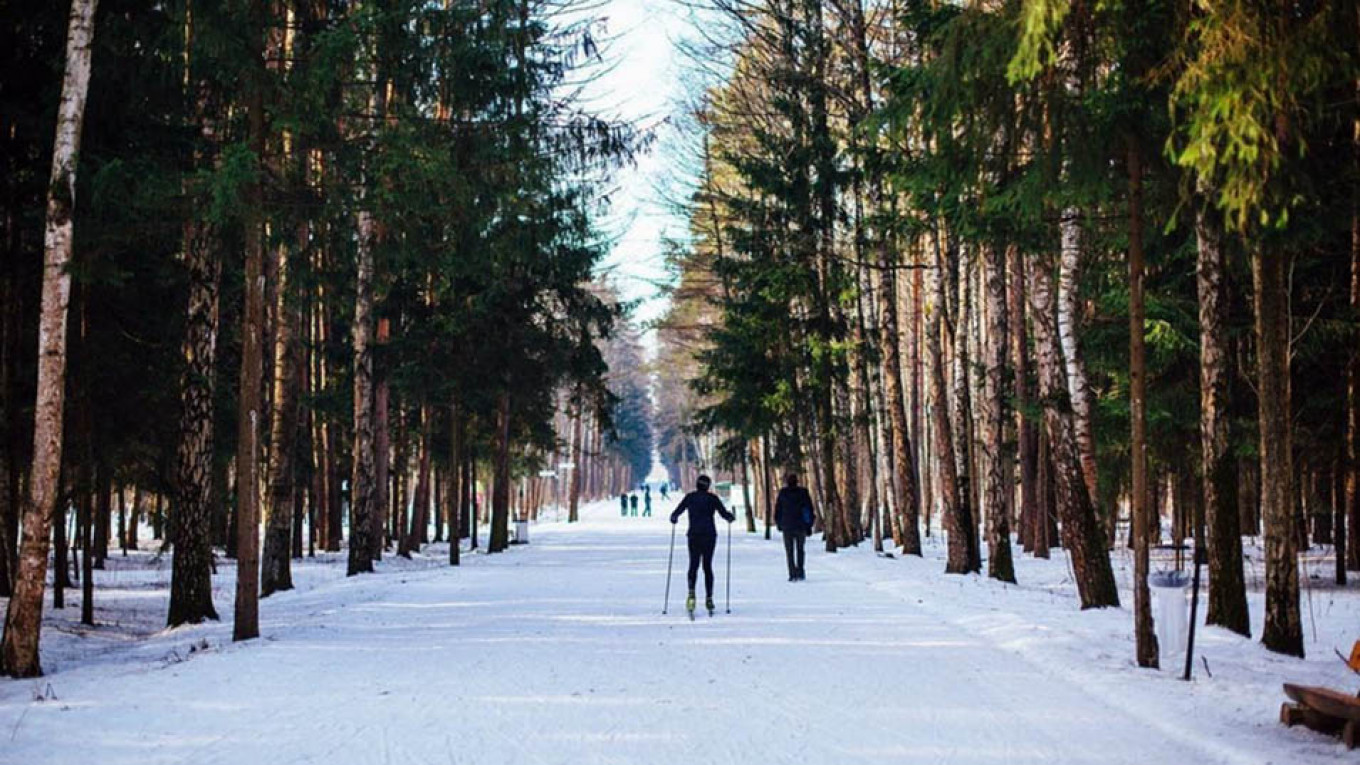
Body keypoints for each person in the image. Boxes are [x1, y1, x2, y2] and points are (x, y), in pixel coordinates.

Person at [670, 475, 736, 615]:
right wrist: (730, 517)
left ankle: (691, 593)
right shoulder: (712, 498)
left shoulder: (690, 497)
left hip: (694, 535)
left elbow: (677, 512)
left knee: (693, 564)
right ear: (708, 486)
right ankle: (709, 597)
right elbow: (724, 514)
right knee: (707, 566)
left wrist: (674, 518)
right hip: (709, 535)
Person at [774, 472, 815, 582]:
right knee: (800, 550)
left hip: (787, 526)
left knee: (789, 551)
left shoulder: (783, 493)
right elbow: (809, 509)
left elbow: (778, 509)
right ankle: (800, 571)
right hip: (800, 526)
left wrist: (778, 523)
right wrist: (809, 525)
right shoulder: (803, 492)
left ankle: (792, 573)